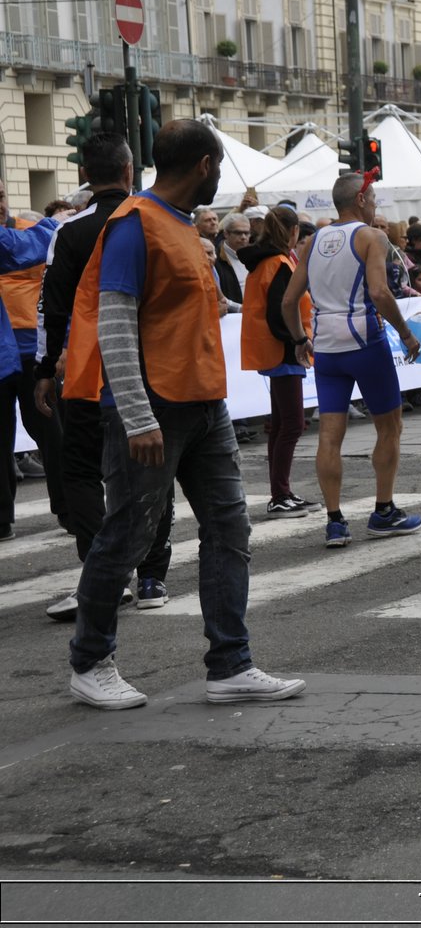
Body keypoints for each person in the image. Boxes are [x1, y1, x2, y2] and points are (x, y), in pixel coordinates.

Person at [60, 119, 303, 709]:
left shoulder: (180, 227)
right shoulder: (134, 225)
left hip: (201, 403)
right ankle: (90, 661)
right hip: (154, 407)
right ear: (203, 164)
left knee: (229, 529)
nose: (218, 178)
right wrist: (138, 416)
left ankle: (230, 664)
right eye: (216, 167)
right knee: (127, 533)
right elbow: (113, 322)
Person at [37, 134, 178, 622]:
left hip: (85, 368)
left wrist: (44, 366)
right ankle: (152, 575)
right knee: (152, 470)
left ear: (84, 176)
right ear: (128, 170)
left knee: (80, 471)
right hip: (150, 367)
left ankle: (102, 570)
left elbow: (50, 307)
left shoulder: (70, 230)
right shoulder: (150, 220)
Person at [280, 169, 421, 548]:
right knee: (389, 427)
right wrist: (406, 333)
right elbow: (378, 292)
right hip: (365, 340)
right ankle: (383, 510)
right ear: (360, 200)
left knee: (330, 435)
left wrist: (299, 338)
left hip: (326, 344)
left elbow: (288, 300)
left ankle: (334, 521)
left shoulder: (313, 242)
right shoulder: (370, 236)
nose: (376, 203)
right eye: (373, 196)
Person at [240, 205, 316, 518]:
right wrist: (299, 340)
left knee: (282, 424)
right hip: (285, 350)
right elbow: (281, 310)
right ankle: (280, 494)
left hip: (276, 348)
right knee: (292, 424)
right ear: (293, 231)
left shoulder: (266, 262)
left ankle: (281, 491)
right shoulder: (279, 263)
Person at [0, 181, 66, 523]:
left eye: (1, 196)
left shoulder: (22, 233)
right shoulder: (23, 238)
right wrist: (56, 223)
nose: (0, 204)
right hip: (11, 353)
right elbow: (24, 249)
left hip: (27, 352)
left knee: (50, 430)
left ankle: (67, 507)